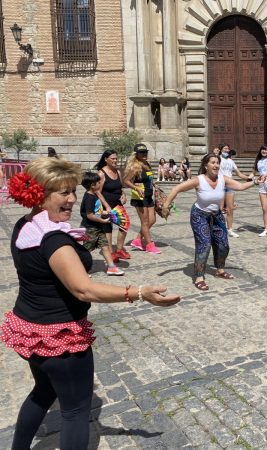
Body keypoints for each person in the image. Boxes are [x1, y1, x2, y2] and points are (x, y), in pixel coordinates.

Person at [1, 157, 179, 449]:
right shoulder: (53, 240)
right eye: (63, 192)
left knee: (43, 392)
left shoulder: (26, 225)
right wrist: (139, 292)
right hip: (58, 336)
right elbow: (83, 289)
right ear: (40, 194)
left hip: (30, 328)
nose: (72, 199)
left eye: (73, 191)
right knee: (75, 411)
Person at [162, 154, 262, 291]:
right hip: (199, 215)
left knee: (223, 245)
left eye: (217, 163)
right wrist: (166, 205)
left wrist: (256, 181)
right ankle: (199, 277)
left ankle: (219, 270)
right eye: (213, 162)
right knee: (204, 244)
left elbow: (240, 186)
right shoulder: (198, 180)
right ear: (205, 166)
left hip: (217, 215)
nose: (216, 165)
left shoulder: (223, 179)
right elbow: (176, 189)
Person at [80, 172, 124, 276]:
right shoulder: (89, 198)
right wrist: (103, 221)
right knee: (87, 250)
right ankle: (82, 269)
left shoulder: (94, 195)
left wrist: (105, 212)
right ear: (92, 185)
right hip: (90, 228)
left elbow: (96, 212)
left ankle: (111, 267)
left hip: (98, 227)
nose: (100, 184)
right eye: (98, 182)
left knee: (105, 247)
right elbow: (90, 215)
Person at [123, 144, 160, 254]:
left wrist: (153, 184)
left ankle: (138, 239)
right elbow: (126, 180)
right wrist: (136, 187)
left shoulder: (146, 164)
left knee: (152, 220)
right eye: (141, 152)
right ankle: (149, 245)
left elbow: (147, 178)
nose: (144, 154)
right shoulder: (135, 166)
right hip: (140, 197)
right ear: (136, 154)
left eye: (145, 152)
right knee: (145, 222)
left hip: (148, 195)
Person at [95, 150, 130, 263]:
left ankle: (119, 250)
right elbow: (97, 192)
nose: (115, 160)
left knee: (125, 224)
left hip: (117, 204)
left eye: (116, 158)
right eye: (113, 158)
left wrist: (123, 195)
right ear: (106, 159)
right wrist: (106, 206)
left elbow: (120, 188)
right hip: (106, 205)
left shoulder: (118, 172)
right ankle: (111, 254)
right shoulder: (101, 174)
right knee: (108, 229)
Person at [217, 145, 253, 238]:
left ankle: (230, 230)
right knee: (219, 209)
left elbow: (239, 173)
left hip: (230, 185)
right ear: (221, 150)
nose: (226, 150)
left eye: (228, 149)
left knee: (230, 209)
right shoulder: (218, 159)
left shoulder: (231, 161)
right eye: (225, 148)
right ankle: (218, 228)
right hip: (220, 185)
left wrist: (248, 178)